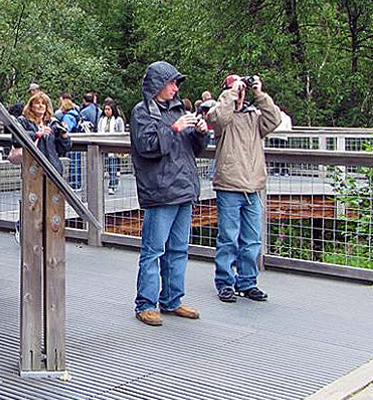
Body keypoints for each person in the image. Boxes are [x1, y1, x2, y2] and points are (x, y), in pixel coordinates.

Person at [130, 60, 208, 326]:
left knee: (178, 249)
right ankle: (146, 304)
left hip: (184, 189)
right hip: (160, 191)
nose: (176, 88)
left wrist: (200, 134)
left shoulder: (178, 110)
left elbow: (193, 150)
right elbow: (147, 147)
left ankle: (172, 300)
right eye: (173, 82)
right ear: (159, 85)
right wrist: (173, 129)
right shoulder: (142, 112)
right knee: (153, 250)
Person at [207, 74, 281, 303]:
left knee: (252, 240)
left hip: (253, 186)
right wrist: (231, 93)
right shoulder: (218, 112)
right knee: (228, 238)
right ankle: (225, 283)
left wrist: (259, 94)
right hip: (229, 185)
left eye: (242, 89)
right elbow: (219, 118)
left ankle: (247, 282)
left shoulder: (254, 116)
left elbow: (275, 119)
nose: (241, 92)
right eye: (235, 88)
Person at [12, 92, 72, 244]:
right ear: (31, 105)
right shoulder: (23, 121)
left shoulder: (53, 123)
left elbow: (63, 148)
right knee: (32, 202)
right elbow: (16, 138)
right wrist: (37, 134)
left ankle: (48, 236)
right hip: (33, 170)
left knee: (52, 203)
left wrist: (64, 135)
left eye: (43, 104)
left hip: (53, 169)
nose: (40, 106)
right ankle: (23, 228)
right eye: (37, 103)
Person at [98, 98, 125, 195]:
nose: (107, 111)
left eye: (108, 109)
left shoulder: (118, 120)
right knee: (107, 166)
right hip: (103, 146)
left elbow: (121, 132)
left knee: (113, 166)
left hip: (113, 147)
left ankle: (112, 185)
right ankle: (112, 182)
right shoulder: (101, 120)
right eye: (105, 109)